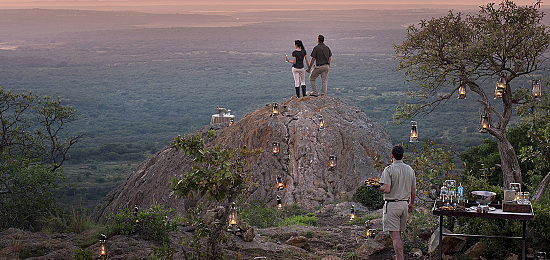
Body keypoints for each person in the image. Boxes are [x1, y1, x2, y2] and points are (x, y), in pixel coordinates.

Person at [376, 145, 416, 260]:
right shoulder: (410, 170)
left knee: (395, 236)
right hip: (404, 204)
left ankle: (400, 258)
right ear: (403, 156)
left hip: (392, 205)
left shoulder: (389, 170)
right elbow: (413, 189)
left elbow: (387, 189)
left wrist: (376, 187)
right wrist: (411, 203)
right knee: (399, 235)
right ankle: (400, 256)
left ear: (392, 156)